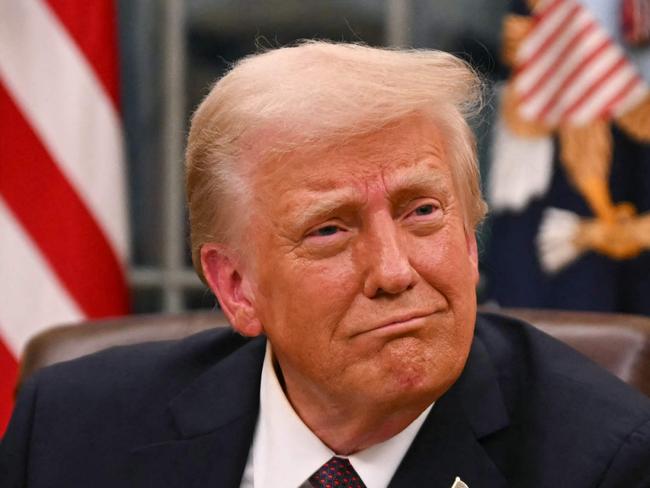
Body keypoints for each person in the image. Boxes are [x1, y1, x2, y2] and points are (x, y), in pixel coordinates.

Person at [1, 41, 649, 488]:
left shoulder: (604, 461)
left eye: (422, 211)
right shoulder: (73, 431)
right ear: (236, 286)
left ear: (472, 237)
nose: (394, 272)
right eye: (330, 230)